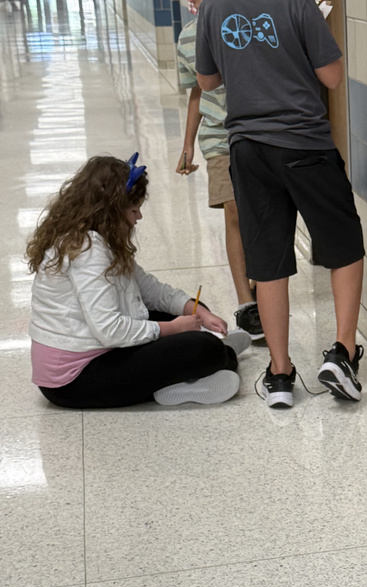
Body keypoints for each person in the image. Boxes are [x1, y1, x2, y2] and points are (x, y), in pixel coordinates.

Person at [195, 0, 365, 410]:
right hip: (307, 146)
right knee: (343, 243)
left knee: (267, 259)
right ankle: (342, 351)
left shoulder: (214, 5)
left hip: (248, 149)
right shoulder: (297, 0)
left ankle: (281, 372)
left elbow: (207, 80)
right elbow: (332, 77)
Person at [27, 154, 251, 409]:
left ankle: (213, 358)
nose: (139, 217)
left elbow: (151, 291)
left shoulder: (97, 239)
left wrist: (196, 310)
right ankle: (217, 359)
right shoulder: (88, 251)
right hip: (75, 379)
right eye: (133, 210)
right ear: (110, 211)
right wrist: (175, 329)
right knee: (202, 347)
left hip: (94, 349)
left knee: (178, 318)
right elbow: (109, 330)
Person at [176, 0, 263, 341]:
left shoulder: (250, 23)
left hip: (259, 130)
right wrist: (188, 144)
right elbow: (197, 93)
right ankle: (247, 303)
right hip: (218, 136)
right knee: (233, 211)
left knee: (258, 212)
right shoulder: (187, 37)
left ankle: (264, 285)